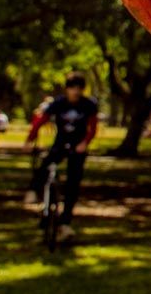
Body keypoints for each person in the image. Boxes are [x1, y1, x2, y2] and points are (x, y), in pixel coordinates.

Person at [25, 72, 102, 243]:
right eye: (72, 88)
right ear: (67, 89)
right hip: (60, 143)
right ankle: (33, 191)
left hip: (78, 147)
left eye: (78, 88)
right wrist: (30, 138)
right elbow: (41, 120)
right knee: (44, 167)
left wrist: (84, 143)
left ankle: (65, 222)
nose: (75, 92)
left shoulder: (88, 104)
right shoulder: (59, 103)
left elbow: (93, 127)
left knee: (73, 183)